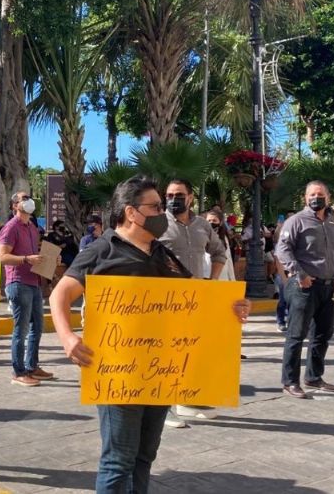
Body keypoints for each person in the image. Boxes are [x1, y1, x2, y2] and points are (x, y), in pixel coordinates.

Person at [48, 176, 252, 494]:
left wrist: (231, 308)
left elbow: (193, 299)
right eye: (155, 206)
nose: (162, 212)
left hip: (158, 372)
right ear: (132, 212)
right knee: (118, 462)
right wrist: (68, 338)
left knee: (144, 457)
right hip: (118, 374)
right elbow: (59, 295)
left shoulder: (163, 254)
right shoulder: (103, 250)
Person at [159, 179, 229, 428]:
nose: (173, 198)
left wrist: (212, 281)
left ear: (190, 197)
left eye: (179, 194)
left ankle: (188, 400)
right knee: (167, 355)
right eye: (169, 194)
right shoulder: (156, 223)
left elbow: (219, 252)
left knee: (192, 352)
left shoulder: (202, 225)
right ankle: (163, 407)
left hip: (196, 300)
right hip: (166, 301)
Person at [275, 180, 334, 399]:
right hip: (304, 287)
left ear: (328, 198)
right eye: (311, 195)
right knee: (296, 335)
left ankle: (314, 376)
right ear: (305, 198)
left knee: (323, 334)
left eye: (320, 194)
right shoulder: (296, 222)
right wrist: (300, 274)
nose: (315, 198)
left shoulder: (333, 225)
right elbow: (283, 250)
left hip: (329, 288)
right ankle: (290, 381)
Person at [0, 191, 54, 387]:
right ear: (15, 206)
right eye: (23, 198)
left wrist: (50, 259)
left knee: (37, 327)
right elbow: (2, 257)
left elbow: (34, 253)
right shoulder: (10, 228)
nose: (28, 200)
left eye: (29, 197)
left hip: (34, 281)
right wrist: (25, 259)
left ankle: (32, 367)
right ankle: (18, 371)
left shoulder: (32, 227)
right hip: (18, 282)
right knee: (20, 330)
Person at [204, 210, 235, 281]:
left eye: (214, 220)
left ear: (220, 223)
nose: (211, 223)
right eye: (209, 221)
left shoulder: (224, 238)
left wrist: (232, 279)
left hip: (221, 275)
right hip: (205, 274)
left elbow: (228, 258)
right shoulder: (201, 236)